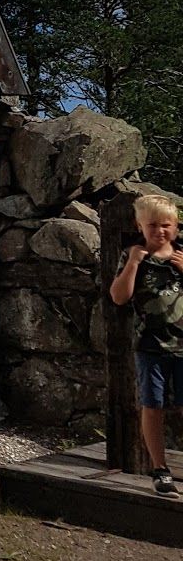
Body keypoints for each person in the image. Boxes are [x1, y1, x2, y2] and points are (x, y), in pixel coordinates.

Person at [109, 193, 183, 497]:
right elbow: (118, 296)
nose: (160, 231)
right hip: (150, 345)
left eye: (166, 225)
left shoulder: (181, 255)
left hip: (182, 346)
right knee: (152, 406)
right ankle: (159, 468)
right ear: (140, 226)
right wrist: (134, 264)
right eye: (152, 225)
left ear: (176, 226)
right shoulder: (133, 256)